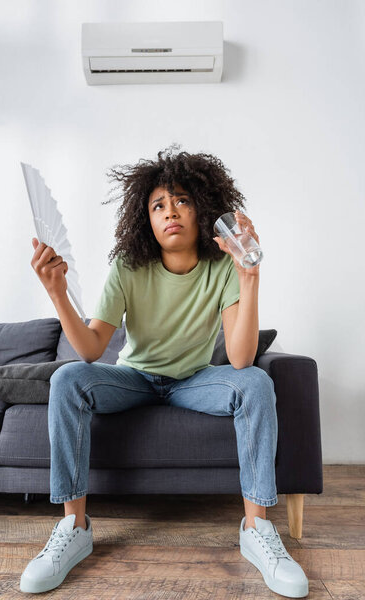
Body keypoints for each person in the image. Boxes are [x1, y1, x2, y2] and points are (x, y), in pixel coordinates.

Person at [20, 145, 309, 597]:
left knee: (255, 381)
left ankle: (257, 530)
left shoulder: (222, 267)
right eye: (158, 205)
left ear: (202, 210)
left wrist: (249, 276)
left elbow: (239, 359)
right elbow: (92, 349)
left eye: (181, 201)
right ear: (146, 221)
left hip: (194, 380)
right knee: (66, 378)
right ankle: (74, 528)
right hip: (133, 378)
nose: (170, 211)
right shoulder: (128, 267)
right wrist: (58, 294)